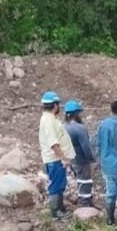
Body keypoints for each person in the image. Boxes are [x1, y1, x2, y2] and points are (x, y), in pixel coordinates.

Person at [39, 91, 74, 219]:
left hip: (55, 158)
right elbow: (53, 143)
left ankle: (60, 208)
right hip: (54, 159)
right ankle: (55, 213)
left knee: (60, 185)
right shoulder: (48, 120)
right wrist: (63, 158)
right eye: (58, 104)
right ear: (55, 105)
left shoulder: (50, 119)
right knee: (55, 186)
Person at [63, 100, 95, 207]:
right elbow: (86, 146)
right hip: (81, 159)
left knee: (79, 180)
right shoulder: (79, 128)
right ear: (76, 114)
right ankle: (85, 204)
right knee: (85, 181)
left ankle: (86, 201)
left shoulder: (64, 127)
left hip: (70, 159)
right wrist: (92, 160)